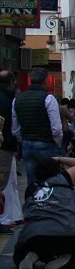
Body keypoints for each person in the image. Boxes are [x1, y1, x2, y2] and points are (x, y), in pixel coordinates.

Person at [13, 156, 75, 269]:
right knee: (74, 257)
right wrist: (58, 158)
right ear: (57, 169)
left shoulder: (32, 188)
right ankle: (66, 258)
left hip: (37, 235)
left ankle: (31, 255)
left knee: (20, 253)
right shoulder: (65, 179)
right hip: (72, 234)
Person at [11, 67, 63, 188]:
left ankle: (33, 202)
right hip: (46, 142)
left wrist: (23, 139)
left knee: (32, 180)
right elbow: (56, 128)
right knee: (50, 180)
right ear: (45, 81)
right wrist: (57, 143)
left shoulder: (17, 100)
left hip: (27, 143)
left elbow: (15, 128)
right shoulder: (49, 98)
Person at [0, 70, 17, 234]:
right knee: (2, 182)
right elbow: (11, 126)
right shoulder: (7, 100)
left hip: (5, 144)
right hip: (4, 146)